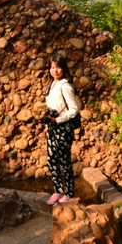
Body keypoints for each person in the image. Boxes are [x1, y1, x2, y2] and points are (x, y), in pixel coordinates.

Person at [39, 54, 80, 205]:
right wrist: (46, 126)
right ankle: (58, 191)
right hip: (52, 128)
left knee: (64, 161)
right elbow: (50, 109)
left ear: (63, 68)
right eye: (52, 67)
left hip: (63, 128)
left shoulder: (65, 86)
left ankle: (68, 193)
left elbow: (74, 109)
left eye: (58, 67)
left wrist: (58, 120)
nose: (55, 70)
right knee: (52, 160)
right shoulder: (52, 85)